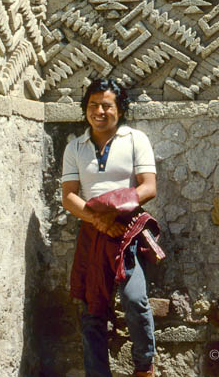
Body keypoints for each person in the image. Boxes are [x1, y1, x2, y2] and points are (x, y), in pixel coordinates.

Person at [61, 77, 157, 377]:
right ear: (84, 109)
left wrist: (117, 213)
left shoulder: (135, 140)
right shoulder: (75, 147)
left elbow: (148, 187)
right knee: (92, 308)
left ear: (120, 109)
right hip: (93, 231)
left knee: (134, 299)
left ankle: (144, 367)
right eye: (92, 105)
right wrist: (99, 221)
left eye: (106, 105)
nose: (99, 112)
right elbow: (69, 196)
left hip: (127, 232)